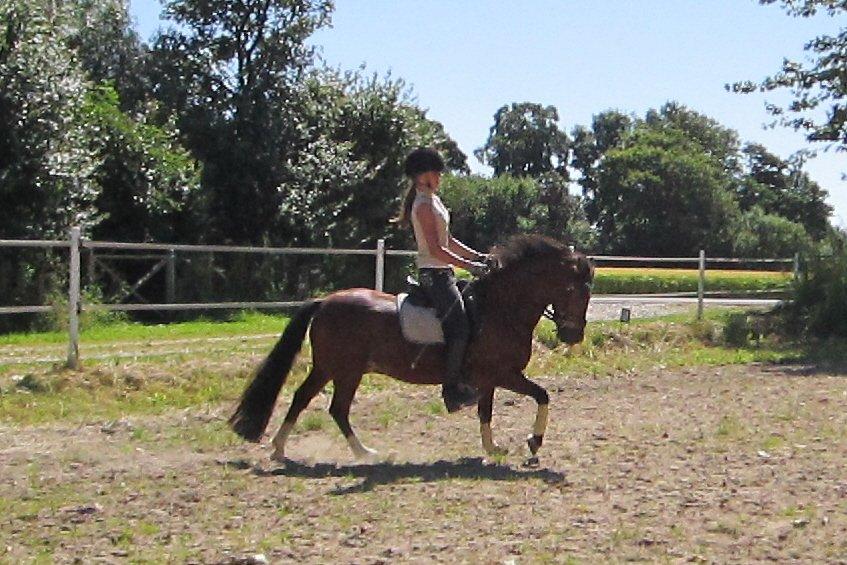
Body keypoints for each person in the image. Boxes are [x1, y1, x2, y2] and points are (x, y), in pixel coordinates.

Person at [397, 147, 489, 413]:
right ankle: (451, 390)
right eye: (436, 172)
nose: (439, 177)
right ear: (423, 175)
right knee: (459, 326)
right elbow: (437, 250)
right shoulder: (423, 205)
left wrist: (478, 256)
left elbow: (448, 241)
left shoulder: (434, 200)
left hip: (445, 273)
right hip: (433, 276)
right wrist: (470, 267)